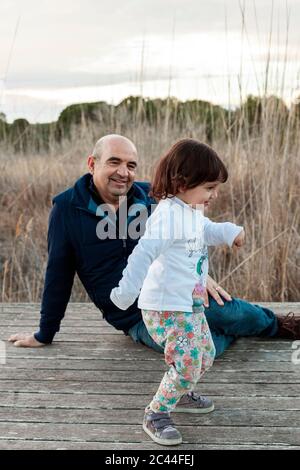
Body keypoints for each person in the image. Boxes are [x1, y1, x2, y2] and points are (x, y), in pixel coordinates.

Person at [8, 135, 299, 357]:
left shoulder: (150, 196)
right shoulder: (67, 208)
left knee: (233, 313)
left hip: (176, 294)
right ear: (92, 163)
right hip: (134, 316)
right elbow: (58, 274)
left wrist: (200, 274)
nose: (124, 172)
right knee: (195, 351)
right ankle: (229, 334)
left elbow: (188, 231)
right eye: (114, 162)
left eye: (131, 165)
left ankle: (282, 325)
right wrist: (45, 333)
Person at [110, 138, 245, 445]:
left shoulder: (190, 211)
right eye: (209, 187)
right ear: (183, 182)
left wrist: (229, 232)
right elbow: (142, 254)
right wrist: (125, 293)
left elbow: (206, 229)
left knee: (206, 354)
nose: (214, 194)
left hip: (190, 304)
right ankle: (156, 413)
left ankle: (180, 392)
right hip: (165, 308)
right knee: (186, 363)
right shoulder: (168, 216)